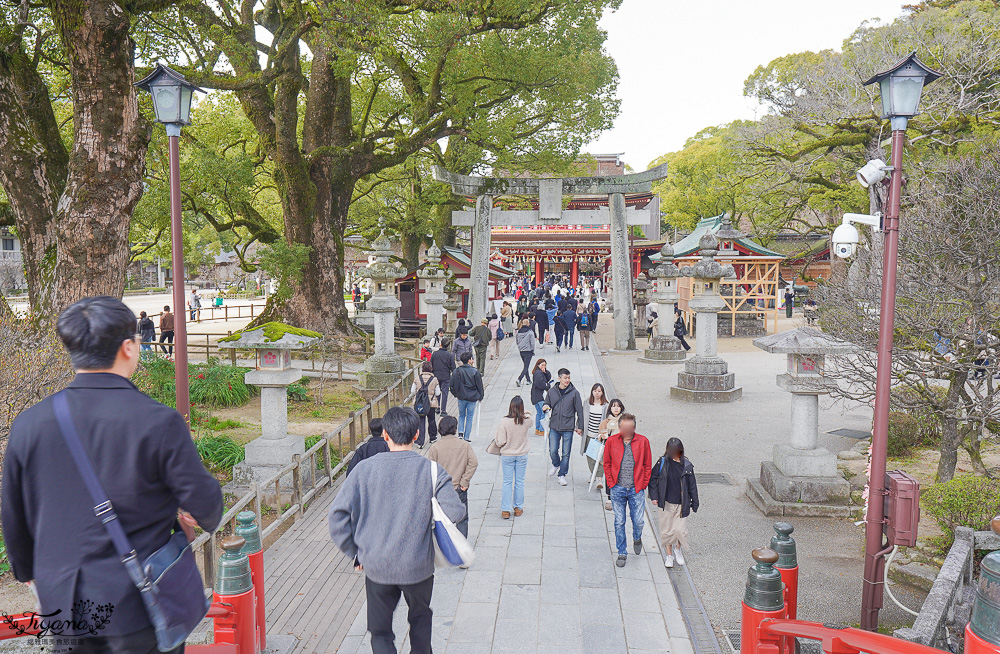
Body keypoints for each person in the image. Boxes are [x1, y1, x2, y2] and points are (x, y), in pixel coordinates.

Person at [1, 296, 223, 653]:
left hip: (64, 600)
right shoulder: (157, 421)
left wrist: (26, 570)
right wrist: (197, 516)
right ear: (128, 347)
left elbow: (13, 511)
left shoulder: (29, 424)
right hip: (136, 600)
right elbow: (205, 503)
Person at [329, 407, 465, 654]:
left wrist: (356, 553)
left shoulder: (363, 470)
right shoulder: (431, 470)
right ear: (416, 435)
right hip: (418, 567)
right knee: (420, 620)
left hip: (378, 566)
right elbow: (456, 512)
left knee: (380, 633)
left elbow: (337, 517)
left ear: (385, 435)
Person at [602, 413, 651, 567]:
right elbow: (607, 463)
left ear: (634, 428)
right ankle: (622, 551)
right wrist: (611, 482)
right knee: (619, 521)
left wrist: (643, 484)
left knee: (638, 521)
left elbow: (647, 465)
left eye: (629, 428)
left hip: (636, 488)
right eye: (623, 427)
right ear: (619, 427)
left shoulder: (643, 442)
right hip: (618, 487)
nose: (626, 430)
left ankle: (637, 537)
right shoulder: (611, 441)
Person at [648, 437, 699, 568]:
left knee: (680, 531)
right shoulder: (662, 462)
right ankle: (669, 555)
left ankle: (678, 550)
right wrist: (654, 496)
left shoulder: (687, 466)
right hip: (666, 503)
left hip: (682, 504)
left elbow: (692, 485)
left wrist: (695, 502)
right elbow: (653, 478)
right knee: (667, 531)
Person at [426, 415, 478, 537]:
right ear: (455, 429)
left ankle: (445, 545)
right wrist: (464, 481)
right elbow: (473, 463)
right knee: (462, 519)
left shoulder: (435, 448)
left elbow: (430, 469)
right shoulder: (464, 445)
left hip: (441, 489)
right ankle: (461, 546)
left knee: (442, 519)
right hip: (459, 487)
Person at [542, 368, 584, 486]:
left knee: (566, 453)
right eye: (565, 378)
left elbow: (579, 411)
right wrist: (545, 406)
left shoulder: (574, 393)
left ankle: (562, 474)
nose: (567, 380)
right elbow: (547, 402)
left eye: (569, 378)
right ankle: (556, 464)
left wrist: (580, 426)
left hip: (568, 427)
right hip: (554, 425)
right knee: (553, 450)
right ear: (559, 378)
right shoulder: (552, 391)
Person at [494, 396, 531, 519]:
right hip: (522, 455)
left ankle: (505, 510)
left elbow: (500, 441)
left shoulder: (504, 422)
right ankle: (518, 508)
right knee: (519, 482)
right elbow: (531, 418)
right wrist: (525, 413)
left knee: (507, 482)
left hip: (507, 455)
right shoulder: (525, 421)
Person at [597, 398, 626, 510]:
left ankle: (619, 496)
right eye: (613, 406)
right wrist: (603, 437)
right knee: (609, 474)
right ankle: (609, 497)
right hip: (609, 453)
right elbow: (600, 436)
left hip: (622, 452)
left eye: (618, 406)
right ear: (610, 408)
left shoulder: (625, 421)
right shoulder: (605, 422)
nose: (616, 408)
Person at [450, 351, 484, 441]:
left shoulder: (456, 371)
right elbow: (479, 385)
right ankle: (467, 436)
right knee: (469, 417)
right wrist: (481, 396)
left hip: (461, 397)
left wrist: (455, 394)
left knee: (461, 415)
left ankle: (460, 432)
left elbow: (451, 385)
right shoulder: (475, 372)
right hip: (472, 397)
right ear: (469, 360)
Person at [410, 362, 440, 448]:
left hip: (420, 404)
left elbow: (412, 391)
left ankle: (420, 441)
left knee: (420, 422)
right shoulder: (434, 379)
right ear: (431, 369)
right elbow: (438, 392)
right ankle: (432, 437)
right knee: (431, 420)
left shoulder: (417, 378)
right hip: (431, 403)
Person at [582, 383, 608, 460]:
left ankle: (598, 472)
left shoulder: (606, 406)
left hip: (599, 436)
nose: (597, 393)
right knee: (590, 457)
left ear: (602, 392)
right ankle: (593, 472)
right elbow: (582, 416)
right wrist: (579, 427)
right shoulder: (587, 403)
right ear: (592, 392)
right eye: (595, 390)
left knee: (599, 458)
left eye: (599, 391)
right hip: (589, 435)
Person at [431, 337, 456, 415]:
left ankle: (437, 406)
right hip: (446, 376)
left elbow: (431, 364)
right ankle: (443, 410)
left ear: (440, 345)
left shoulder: (435, 354)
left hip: (436, 375)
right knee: (445, 393)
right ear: (448, 346)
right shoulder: (450, 355)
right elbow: (453, 367)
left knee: (437, 392)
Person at [530, 359, 552, 436]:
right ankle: (542, 430)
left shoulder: (539, 372)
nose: (544, 367)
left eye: (545, 365)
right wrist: (548, 386)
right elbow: (541, 384)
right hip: (540, 396)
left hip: (535, 396)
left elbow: (548, 377)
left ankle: (538, 429)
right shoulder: (538, 373)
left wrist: (545, 372)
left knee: (539, 413)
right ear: (538, 365)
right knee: (543, 413)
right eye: (542, 365)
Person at [514, 318, 536, 387]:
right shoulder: (530, 332)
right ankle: (519, 379)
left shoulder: (519, 332)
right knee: (526, 366)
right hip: (528, 350)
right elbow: (532, 342)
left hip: (521, 351)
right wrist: (532, 350)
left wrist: (520, 347)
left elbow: (517, 341)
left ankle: (528, 380)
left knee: (525, 366)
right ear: (528, 324)